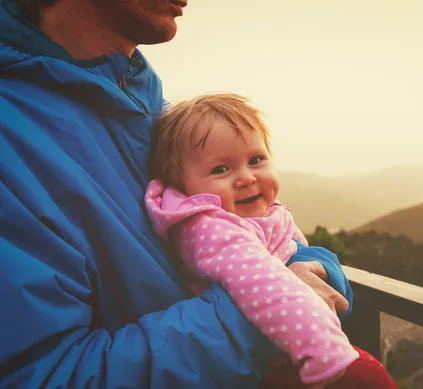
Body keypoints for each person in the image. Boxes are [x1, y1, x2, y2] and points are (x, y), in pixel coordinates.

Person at [0, 0, 397, 388]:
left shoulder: (151, 110)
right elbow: (39, 373)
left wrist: (314, 265)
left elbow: (273, 233)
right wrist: (272, 307)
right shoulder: (13, 137)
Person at [144, 93, 360, 387]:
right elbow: (263, 283)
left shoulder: (262, 212)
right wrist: (322, 346)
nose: (246, 177)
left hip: (279, 347)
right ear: (182, 185)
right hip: (253, 369)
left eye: (256, 159)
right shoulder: (208, 228)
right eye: (221, 169)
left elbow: (300, 251)